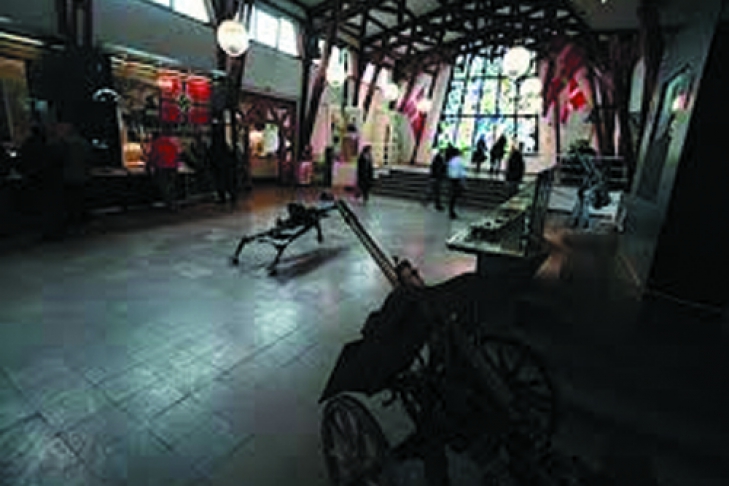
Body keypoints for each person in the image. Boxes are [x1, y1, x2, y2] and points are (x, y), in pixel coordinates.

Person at [61, 123, 92, 232]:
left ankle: (74, 219)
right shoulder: (83, 143)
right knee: (80, 198)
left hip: (69, 176)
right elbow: (88, 158)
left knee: (72, 200)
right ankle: (81, 219)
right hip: (82, 175)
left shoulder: (65, 144)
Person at [147, 130, 180, 211]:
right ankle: (173, 201)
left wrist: (149, 164)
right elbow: (177, 153)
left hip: (162, 166)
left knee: (163, 185)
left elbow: (154, 155)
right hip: (173, 166)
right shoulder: (172, 142)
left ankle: (169, 202)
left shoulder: (157, 143)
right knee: (171, 184)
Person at [446, 145, 467, 219]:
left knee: (452, 196)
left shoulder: (451, 161)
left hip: (451, 179)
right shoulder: (460, 160)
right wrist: (463, 181)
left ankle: (451, 210)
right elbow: (462, 172)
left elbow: (448, 170)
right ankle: (453, 210)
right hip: (457, 180)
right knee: (455, 195)